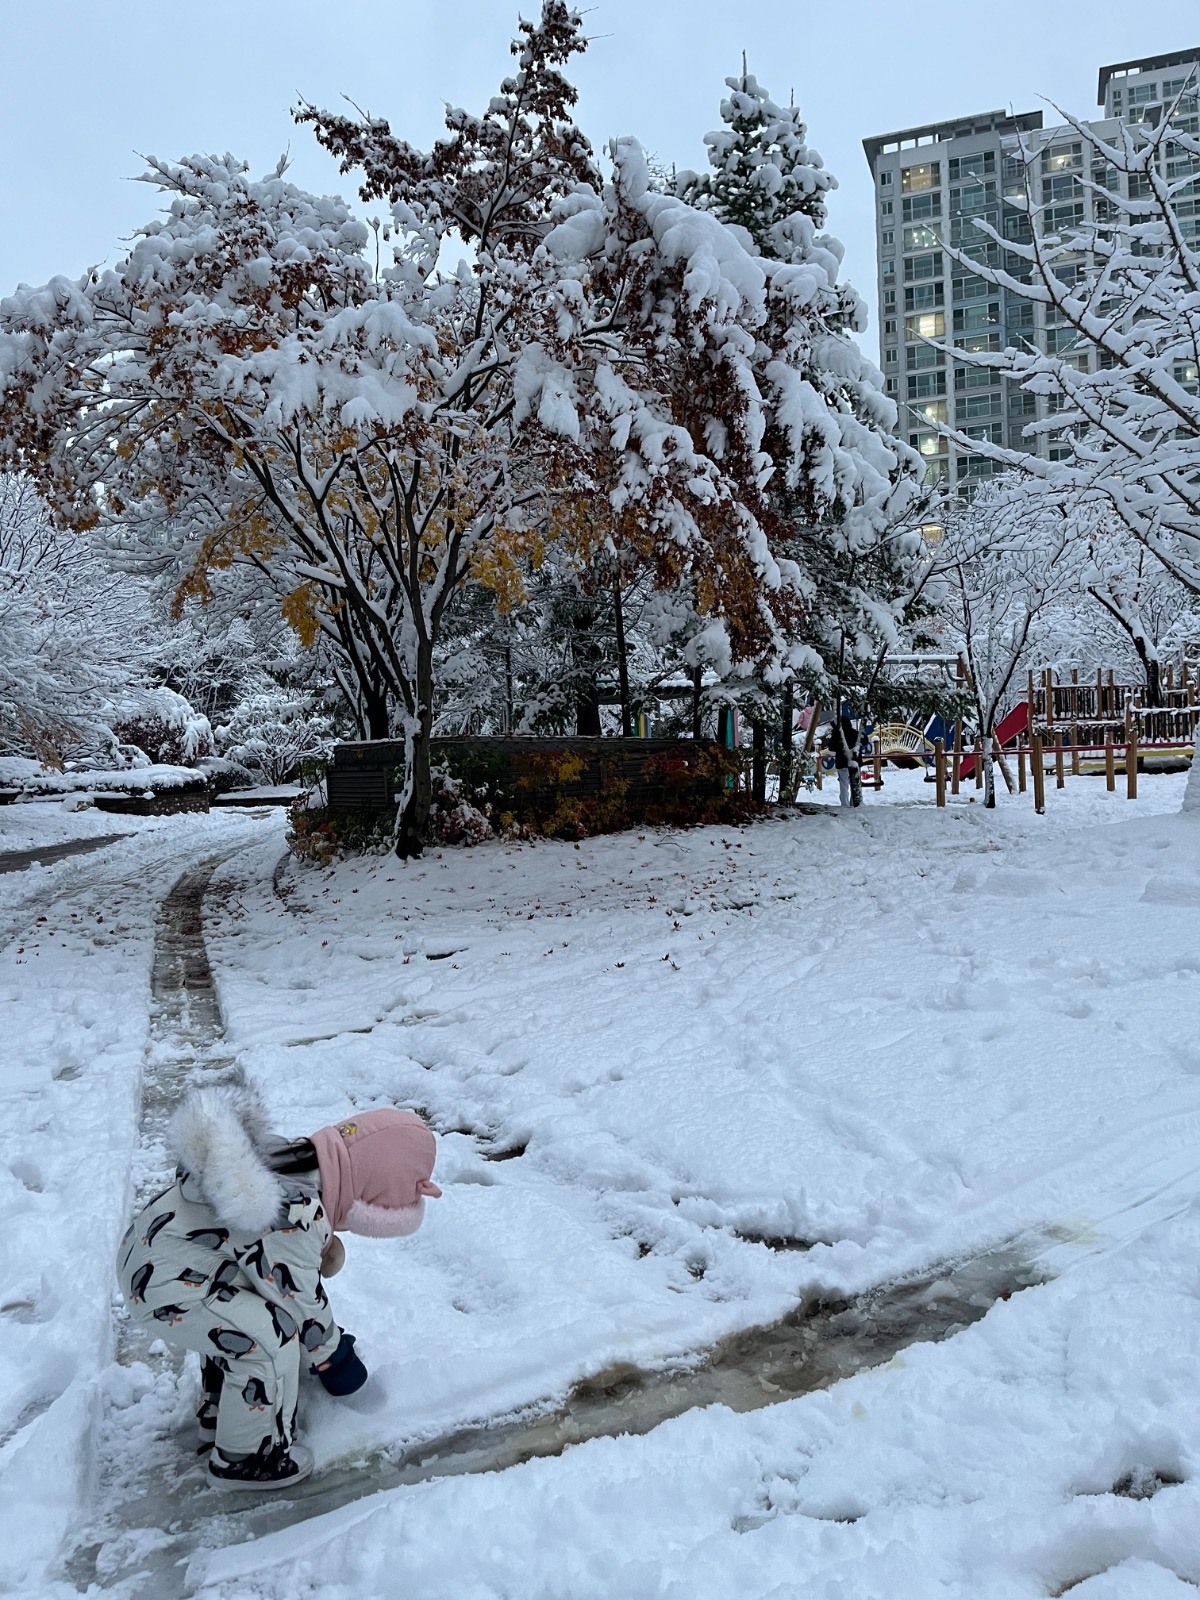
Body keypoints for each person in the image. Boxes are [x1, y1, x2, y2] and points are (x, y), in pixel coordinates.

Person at [116, 1087, 441, 1491]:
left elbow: (274, 1278)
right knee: (267, 1340)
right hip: (165, 1286)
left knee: (245, 1322)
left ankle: (224, 1419)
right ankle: (248, 1461)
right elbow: (301, 1302)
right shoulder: (293, 1211)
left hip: (162, 1263)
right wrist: (336, 1361)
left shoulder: (286, 1166)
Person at [832, 708, 862, 808]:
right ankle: (854, 802)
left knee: (843, 784)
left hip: (841, 761)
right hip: (855, 761)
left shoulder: (837, 734)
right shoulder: (855, 733)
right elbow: (865, 740)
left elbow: (831, 747)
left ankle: (844, 804)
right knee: (854, 783)